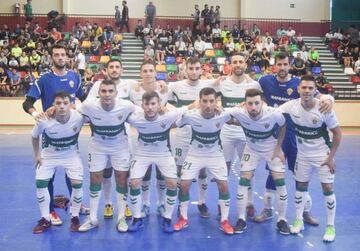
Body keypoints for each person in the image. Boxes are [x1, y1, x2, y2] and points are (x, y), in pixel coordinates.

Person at [255, 52, 334, 226]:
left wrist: (329, 99)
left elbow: (321, 96)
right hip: (276, 137)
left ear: (290, 65)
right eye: (279, 64)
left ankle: (305, 212)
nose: (282, 68)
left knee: (300, 177)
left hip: (296, 137)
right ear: (274, 65)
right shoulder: (265, 81)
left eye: (285, 64)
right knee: (273, 173)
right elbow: (251, 91)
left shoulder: (299, 84)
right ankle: (268, 209)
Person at [23, 44, 87, 226]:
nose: (60, 57)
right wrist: (37, 115)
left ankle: (77, 204)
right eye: (56, 55)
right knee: (47, 175)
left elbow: (85, 99)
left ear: (67, 57)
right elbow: (27, 102)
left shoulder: (75, 77)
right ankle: (50, 209)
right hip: (51, 132)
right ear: (51, 57)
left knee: (72, 173)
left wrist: (76, 108)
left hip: (70, 131)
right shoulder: (44, 79)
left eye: (63, 55)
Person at [278, 75, 341, 243]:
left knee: (327, 188)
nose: (306, 91)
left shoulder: (324, 108)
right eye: (303, 88)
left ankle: (330, 226)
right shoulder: (291, 106)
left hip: (322, 156)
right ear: (298, 89)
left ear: (315, 90)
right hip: (303, 155)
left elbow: (337, 133)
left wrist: (331, 157)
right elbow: (271, 111)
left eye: (310, 88)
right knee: (300, 187)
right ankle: (298, 219)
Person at [126, 91, 196, 233]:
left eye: (153, 104)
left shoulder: (169, 115)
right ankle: (137, 218)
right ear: (142, 106)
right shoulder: (135, 118)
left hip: (163, 154)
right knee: (134, 183)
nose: (150, 107)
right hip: (142, 154)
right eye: (147, 104)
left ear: (159, 105)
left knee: (171, 183)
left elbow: (191, 106)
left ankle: (168, 218)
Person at [229, 88, 290, 235]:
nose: (253, 107)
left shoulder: (273, 113)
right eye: (250, 104)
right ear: (245, 104)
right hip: (251, 149)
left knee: (280, 182)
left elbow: (283, 126)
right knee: (244, 181)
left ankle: (281, 219)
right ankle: (241, 219)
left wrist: (279, 148)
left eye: (257, 103)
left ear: (262, 103)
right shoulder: (239, 112)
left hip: (271, 148)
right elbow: (222, 114)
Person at [174, 87, 234, 235]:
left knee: (223, 185)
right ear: (199, 102)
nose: (208, 105)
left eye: (211, 101)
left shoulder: (224, 115)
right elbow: (174, 123)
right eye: (205, 101)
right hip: (195, 154)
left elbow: (241, 119)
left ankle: (225, 220)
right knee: (184, 184)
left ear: (216, 102)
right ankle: (183, 217)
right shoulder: (190, 116)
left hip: (215, 154)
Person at [77, 80, 135, 233]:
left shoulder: (126, 105)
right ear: (99, 93)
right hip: (97, 147)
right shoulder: (89, 105)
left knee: (121, 179)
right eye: (104, 91)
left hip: (120, 147)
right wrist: (52, 110)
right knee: (95, 178)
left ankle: (121, 217)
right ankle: (93, 218)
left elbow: (145, 111)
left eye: (110, 91)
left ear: (116, 93)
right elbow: (73, 112)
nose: (107, 94)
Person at [167, 57, 219, 218]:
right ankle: (180, 204)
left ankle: (202, 203)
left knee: (202, 170)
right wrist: (188, 108)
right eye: (191, 68)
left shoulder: (209, 85)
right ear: (185, 69)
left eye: (197, 68)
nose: (194, 71)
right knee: (180, 171)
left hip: (202, 133)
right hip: (183, 134)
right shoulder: (175, 86)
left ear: (201, 70)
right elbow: (168, 106)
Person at [86, 59, 136, 219]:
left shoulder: (130, 85)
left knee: (123, 174)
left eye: (117, 67)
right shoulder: (97, 86)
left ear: (122, 69)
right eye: (111, 67)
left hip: (123, 138)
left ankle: (124, 204)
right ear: (106, 70)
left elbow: (143, 99)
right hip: (102, 139)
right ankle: (108, 203)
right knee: (106, 173)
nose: (114, 70)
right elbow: (87, 107)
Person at [31, 91, 85, 233]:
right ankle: (45, 218)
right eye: (58, 103)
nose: (62, 106)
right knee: (40, 184)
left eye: (65, 103)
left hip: (71, 155)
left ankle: (74, 216)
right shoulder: (44, 120)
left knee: (77, 184)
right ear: (53, 105)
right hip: (49, 156)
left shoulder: (79, 117)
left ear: (71, 104)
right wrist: (37, 155)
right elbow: (34, 137)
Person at [217, 54, 261, 220]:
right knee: (223, 170)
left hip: (246, 133)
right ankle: (223, 203)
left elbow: (261, 105)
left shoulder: (253, 84)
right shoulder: (221, 83)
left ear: (245, 64)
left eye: (240, 62)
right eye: (234, 62)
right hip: (226, 132)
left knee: (248, 170)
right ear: (229, 64)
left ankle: (250, 203)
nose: (237, 64)